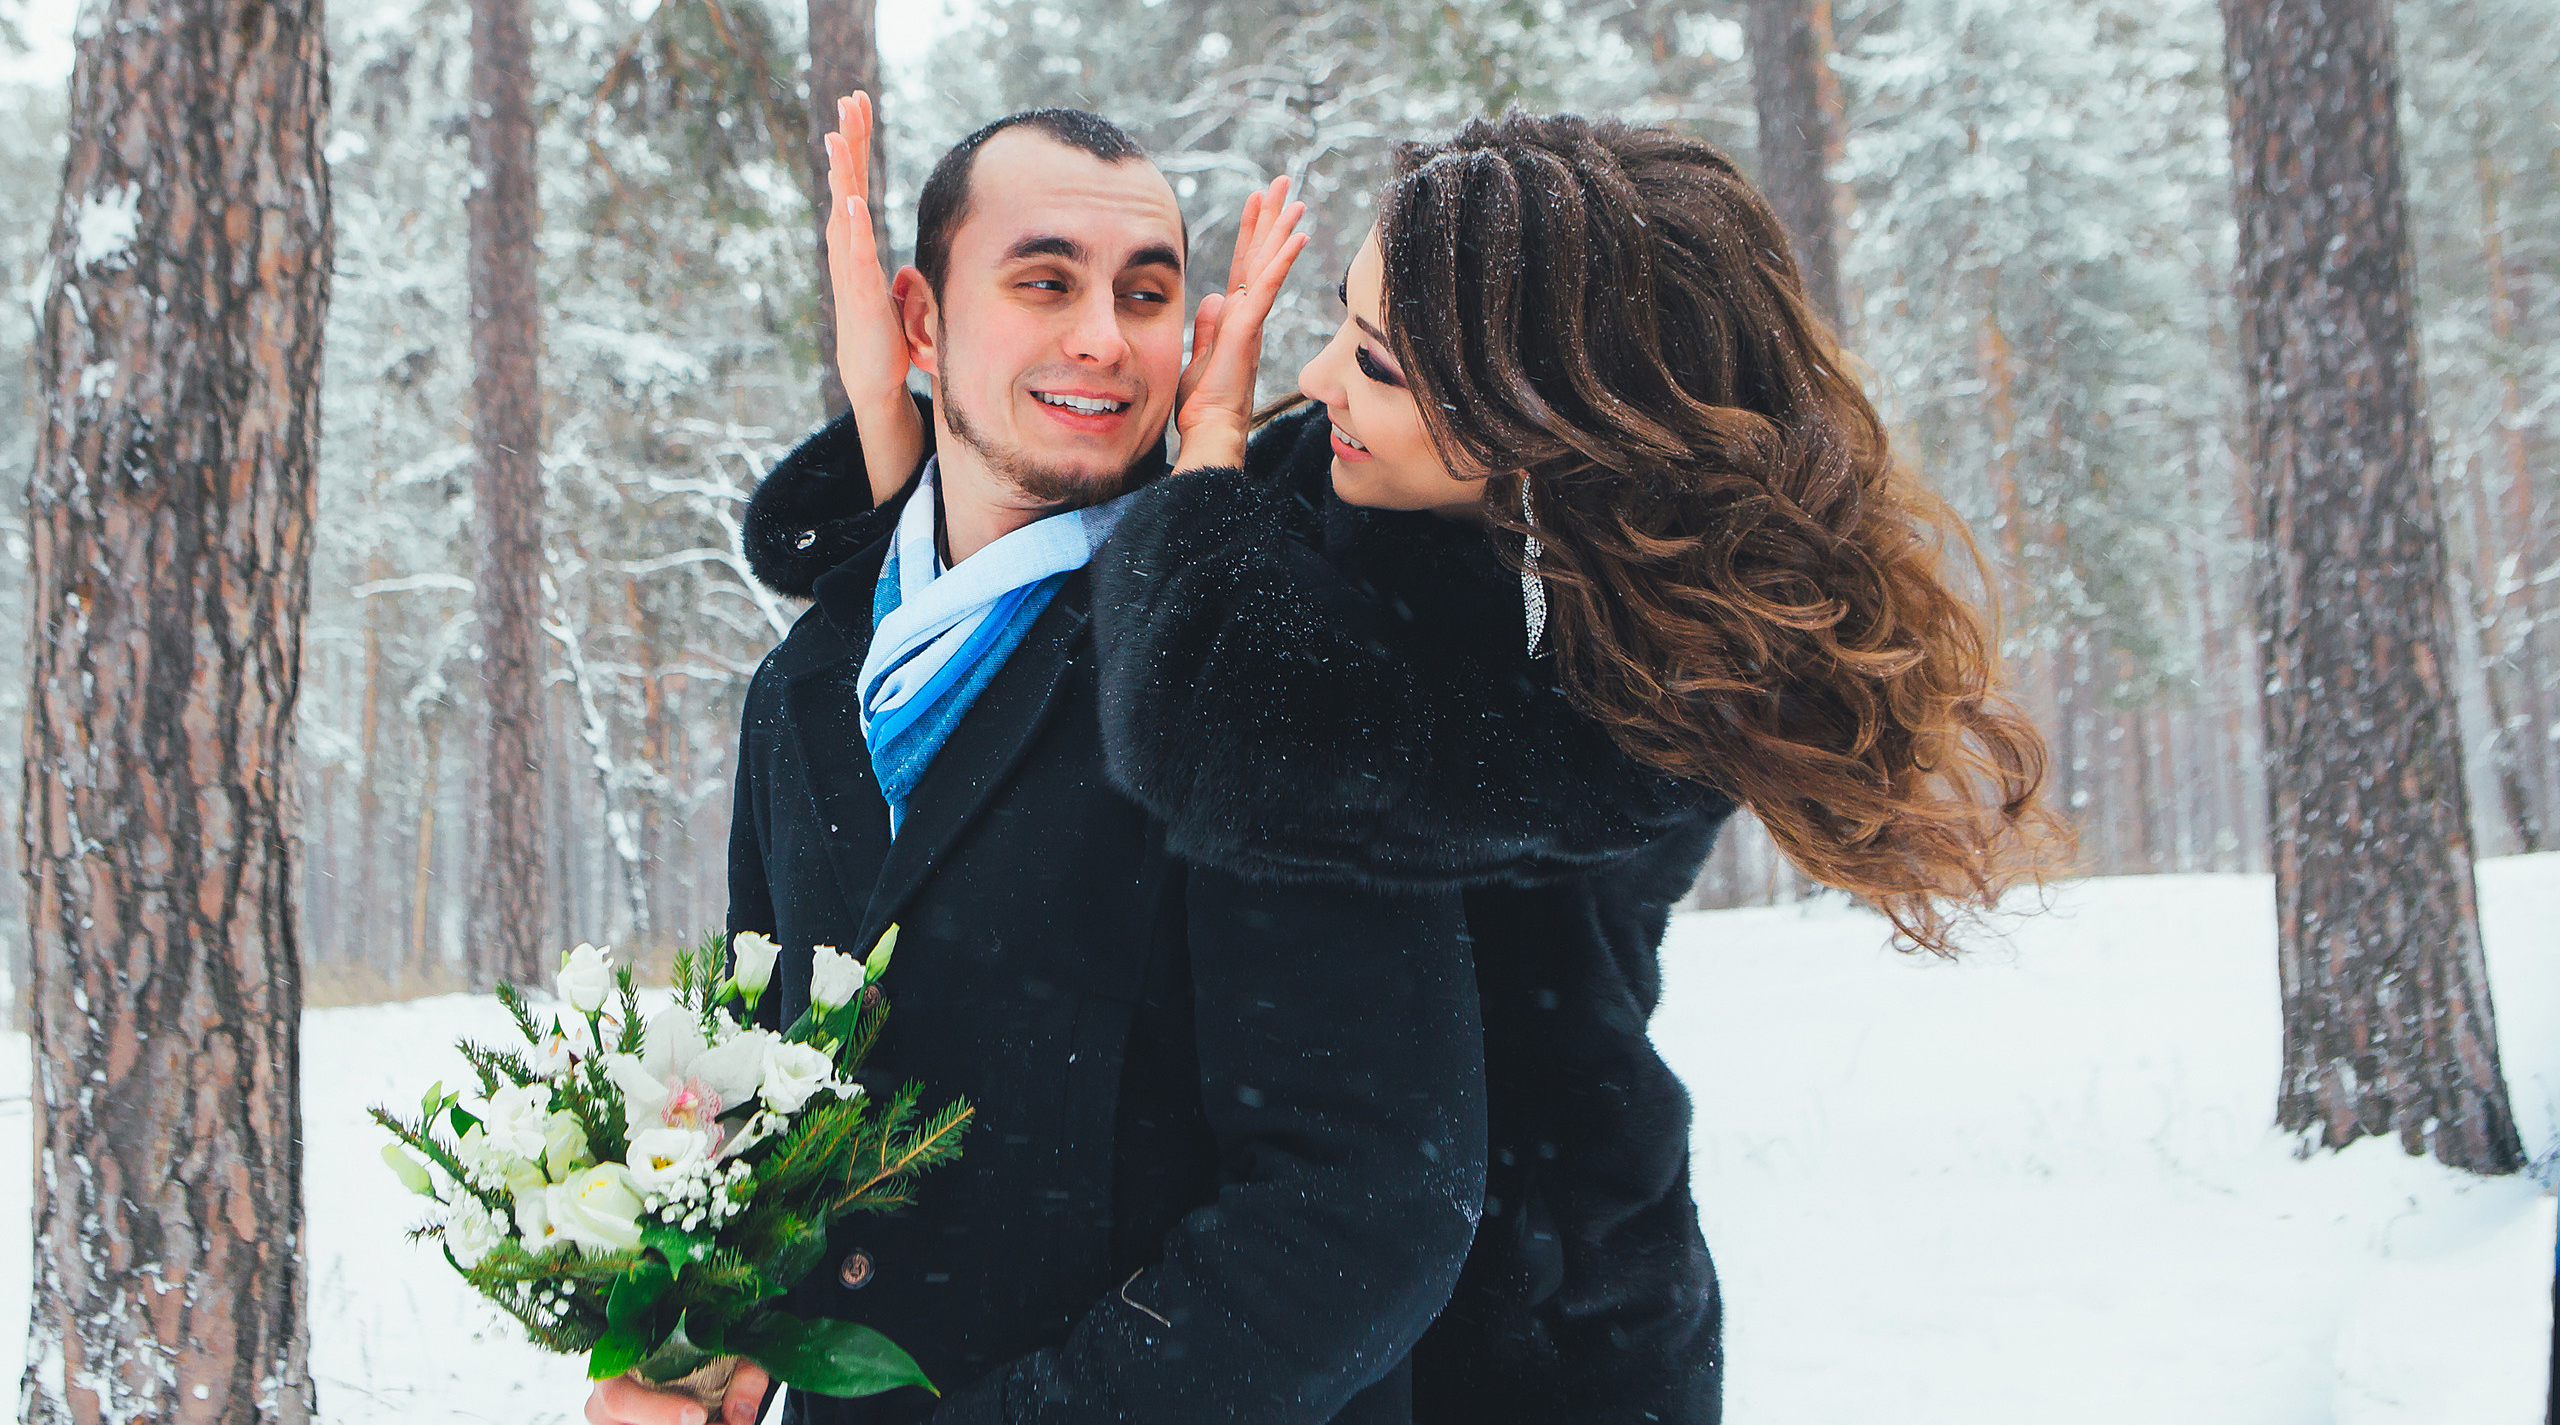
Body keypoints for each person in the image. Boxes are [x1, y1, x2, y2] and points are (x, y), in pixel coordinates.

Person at [1086, 109, 2058, 1424]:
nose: (1312, 381)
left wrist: (1203, 461)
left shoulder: (1629, 704)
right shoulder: (1394, 498)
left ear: (1538, 418)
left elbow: (1217, 717)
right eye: (1341, 320)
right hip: (1373, 1318)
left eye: (1369, 359)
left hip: (1547, 1343)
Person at [587, 98, 1486, 1425]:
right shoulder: (807, 689)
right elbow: (769, 1072)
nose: (1102, 339)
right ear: (919, 323)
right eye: (1044, 281)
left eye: (1146, 292)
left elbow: (1368, 1207)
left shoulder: (1266, 656)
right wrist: (691, 1324)